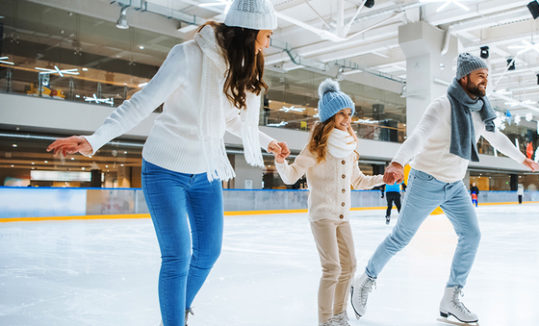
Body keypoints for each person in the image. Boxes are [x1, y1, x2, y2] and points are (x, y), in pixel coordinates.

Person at [46, 1, 289, 325]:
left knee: (208, 253)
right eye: (268, 34)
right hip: (164, 171)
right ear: (251, 29)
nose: (269, 43)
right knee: (177, 257)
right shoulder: (187, 56)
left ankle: (177, 311)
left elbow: (231, 119)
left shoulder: (238, 67)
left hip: (206, 171)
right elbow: (141, 104)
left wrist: (267, 141)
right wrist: (94, 139)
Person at [350, 53, 539, 325]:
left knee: (471, 235)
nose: (485, 80)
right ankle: (365, 280)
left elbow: (495, 136)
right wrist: (398, 162)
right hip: (425, 181)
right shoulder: (442, 106)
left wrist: (521, 158)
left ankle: (451, 298)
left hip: (454, 185)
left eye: (487, 75)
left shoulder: (480, 109)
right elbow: (419, 135)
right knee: (401, 238)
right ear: (464, 77)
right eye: (480, 75)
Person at [274, 79, 384, 326]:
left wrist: (382, 178)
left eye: (349, 113)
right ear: (329, 116)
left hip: (343, 216)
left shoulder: (349, 146)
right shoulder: (316, 148)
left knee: (350, 265)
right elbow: (291, 175)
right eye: (341, 113)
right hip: (322, 215)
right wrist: (281, 161)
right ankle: (325, 321)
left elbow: (357, 180)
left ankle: (338, 314)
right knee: (332, 268)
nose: (347, 119)